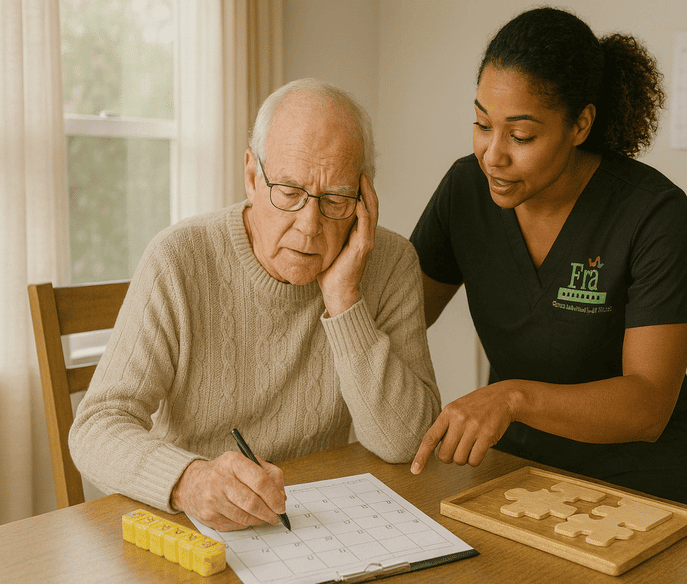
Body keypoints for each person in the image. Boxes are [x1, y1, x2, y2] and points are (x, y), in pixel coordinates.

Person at [69, 79, 441, 531]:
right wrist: (189, 480)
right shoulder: (178, 259)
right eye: (289, 191)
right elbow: (96, 427)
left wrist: (344, 299)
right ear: (251, 176)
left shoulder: (390, 262)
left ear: (364, 198)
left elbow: (406, 441)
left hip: (318, 525)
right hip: (195, 528)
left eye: (336, 199)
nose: (309, 225)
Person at [408, 7, 687, 506]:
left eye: (522, 135)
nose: (493, 155)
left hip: (637, 479)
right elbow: (399, 320)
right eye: (483, 124)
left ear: (580, 124)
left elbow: (649, 404)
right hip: (515, 470)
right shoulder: (466, 191)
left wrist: (512, 397)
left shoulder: (651, 211)